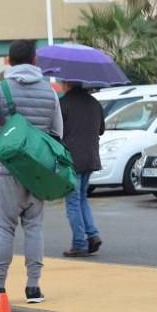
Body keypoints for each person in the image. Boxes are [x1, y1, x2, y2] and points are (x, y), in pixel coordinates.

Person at [0, 39, 63, 304]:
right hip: (38, 171)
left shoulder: (0, 90)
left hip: (6, 169)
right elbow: (58, 132)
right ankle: (33, 287)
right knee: (34, 227)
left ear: (9, 62)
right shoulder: (50, 92)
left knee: (4, 228)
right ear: (35, 61)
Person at [58, 82, 104, 257]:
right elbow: (101, 130)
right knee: (82, 198)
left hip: (71, 159)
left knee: (72, 202)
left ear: (68, 84)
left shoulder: (63, 104)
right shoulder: (94, 103)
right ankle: (92, 235)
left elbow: (56, 131)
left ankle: (79, 242)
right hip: (90, 158)